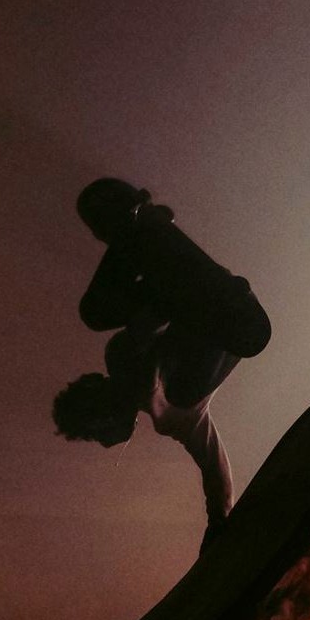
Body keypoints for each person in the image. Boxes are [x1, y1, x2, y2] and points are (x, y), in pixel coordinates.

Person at [52, 178, 271, 547]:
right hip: (238, 321)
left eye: (98, 435)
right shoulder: (171, 416)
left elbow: (152, 317)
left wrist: (145, 249)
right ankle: (142, 229)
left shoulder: (126, 363)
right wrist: (218, 522)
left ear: (102, 412)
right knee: (102, 318)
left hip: (219, 308)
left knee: (94, 313)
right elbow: (215, 470)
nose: (109, 445)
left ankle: (140, 228)